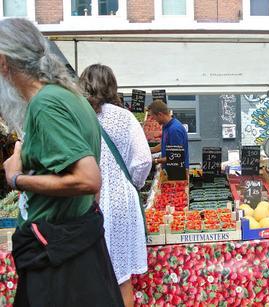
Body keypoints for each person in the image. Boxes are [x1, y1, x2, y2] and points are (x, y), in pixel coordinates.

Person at [0, 18, 123, 306]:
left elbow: (89, 179)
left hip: (58, 254)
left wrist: (16, 178)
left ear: (4, 62)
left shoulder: (47, 103)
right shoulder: (69, 97)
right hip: (69, 245)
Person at [79, 64, 152, 307]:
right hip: (121, 201)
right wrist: (134, 183)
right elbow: (142, 160)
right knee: (122, 279)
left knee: (87, 275)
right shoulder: (124, 117)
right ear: (112, 87)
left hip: (84, 201)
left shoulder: (76, 117)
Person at [148, 99, 189, 168]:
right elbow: (165, 144)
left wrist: (155, 161)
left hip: (177, 173)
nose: (154, 120)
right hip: (170, 171)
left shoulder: (174, 130)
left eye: (154, 117)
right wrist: (150, 150)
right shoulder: (166, 126)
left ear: (160, 114)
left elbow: (175, 156)